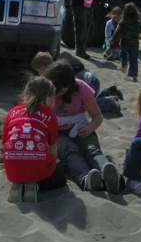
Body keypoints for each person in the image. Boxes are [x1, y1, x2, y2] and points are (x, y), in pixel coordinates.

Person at [43, 60, 123, 193]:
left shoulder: (80, 88)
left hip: (80, 126)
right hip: (56, 133)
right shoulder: (43, 90)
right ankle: (87, 180)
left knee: (92, 149)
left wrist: (90, 127)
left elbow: (97, 116)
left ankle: (109, 175)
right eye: (55, 92)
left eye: (62, 92)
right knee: (71, 150)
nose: (57, 95)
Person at [2, 76, 67, 203]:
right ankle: (35, 185)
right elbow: (52, 148)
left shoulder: (12, 112)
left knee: (22, 163)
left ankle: (19, 184)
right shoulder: (50, 116)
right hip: (37, 167)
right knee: (60, 180)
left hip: (13, 166)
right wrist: (53, 164)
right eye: (53, 97)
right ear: (47, 98)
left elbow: (5, 142)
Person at [30, 52, 123, 114]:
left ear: (44, 68)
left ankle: (111, 102)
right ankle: (109, 90)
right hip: (91, 79)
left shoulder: (60, 73)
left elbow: (75, 88)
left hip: (90, 82)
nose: (39, 74)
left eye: (38, 71)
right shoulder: (56, 70)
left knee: (86, 105)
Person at [108, 2, 141, 82]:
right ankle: (134, 76)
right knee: (134, 59)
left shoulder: (123, 22)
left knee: (123, 55)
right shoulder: (137, 22)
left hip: (125, 43)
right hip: (135, 44)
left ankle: (124, 65)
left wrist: (112, 40)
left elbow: (117, 32)